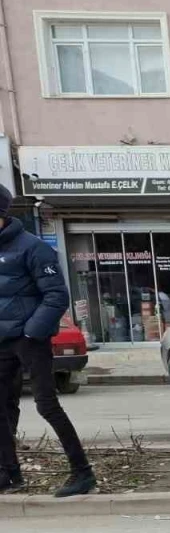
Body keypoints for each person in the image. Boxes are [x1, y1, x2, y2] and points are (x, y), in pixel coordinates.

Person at [0, 185, 96, 497]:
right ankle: (9, 474)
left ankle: (82, 473)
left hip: (30, 339)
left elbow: (57, 295)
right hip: (2, 341)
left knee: (46, 404)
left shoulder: (32, 247)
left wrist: (31, 332)